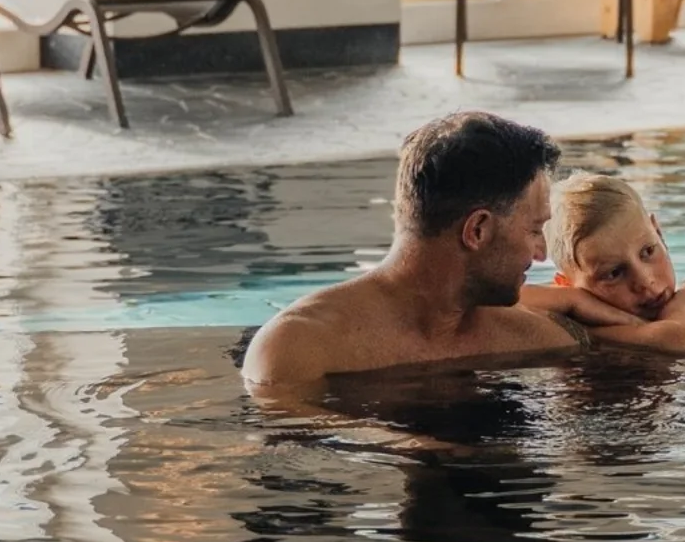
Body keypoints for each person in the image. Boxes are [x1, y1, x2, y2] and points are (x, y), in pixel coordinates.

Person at [243, 111, 596, 395]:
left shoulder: (540, 335)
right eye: (534, 230)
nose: (541, 253)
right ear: (477, 230)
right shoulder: (298, 348)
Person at [527, 173, 685, 355]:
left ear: (659, 234)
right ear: (566, 285)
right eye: (614, 273)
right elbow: (508, 302)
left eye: (648, 251)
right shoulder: (566, 301)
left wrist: (581, 333)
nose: (645, 281)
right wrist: (574, 301)